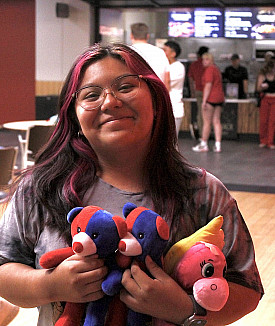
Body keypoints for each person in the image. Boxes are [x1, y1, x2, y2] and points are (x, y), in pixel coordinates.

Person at [0, 43, 263, 326]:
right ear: (74, 115)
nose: (110, 102)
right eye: (90, 95)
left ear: (155, 100)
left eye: (125, 87)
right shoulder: (40, 188)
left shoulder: (202, 191)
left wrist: (185, 308)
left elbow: (246, 288)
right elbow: (5, 267)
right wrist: (51, 285)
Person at [192, 52, 225, 153]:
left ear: (211, 60)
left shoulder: (209, 70)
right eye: (203, 59)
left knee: (207, 122)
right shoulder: (216, 69)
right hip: (219, 98)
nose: (204, 62)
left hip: (210, 98)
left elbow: (208, 86)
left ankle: (204, 144)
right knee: (216, 121)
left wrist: (204, 101)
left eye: (206, 59)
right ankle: (218, 145)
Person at [130, 22, 170, 89]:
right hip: (157, 93)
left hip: (135, 95)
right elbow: (167, 79)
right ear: (148, 36)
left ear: (131, 36)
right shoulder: (159, 52)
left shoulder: (127, 51)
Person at [163, 40, 185, 137]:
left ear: (173, 54)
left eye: (165, 50)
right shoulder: (166, 65)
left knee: (171, 141)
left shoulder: (178, 67)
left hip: (174, 109)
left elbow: (166, 83)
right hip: (165, 109)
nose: (162, 53)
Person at [188, 46, 209, 138]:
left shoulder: (194, 64)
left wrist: (192, 92)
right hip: (209, 92)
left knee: (201, 113)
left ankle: (202, 134)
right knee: (209, 114)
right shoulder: (209, 64)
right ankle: (206, 134)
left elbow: (190, 79)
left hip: (198, 91)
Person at [256, 58, 275, 149]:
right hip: (265, 98)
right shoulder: (262, 75)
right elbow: (258, 89)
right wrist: (262, 87)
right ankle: (263, 140)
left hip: (274, 99)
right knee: (263, 121)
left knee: (272, 121)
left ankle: (270, 142)